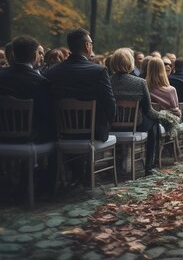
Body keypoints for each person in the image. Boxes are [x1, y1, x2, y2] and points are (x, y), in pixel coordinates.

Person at [46, 28, 115, 143]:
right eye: (91, 43)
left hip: (61, 133)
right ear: (87, 46)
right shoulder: (99, 71)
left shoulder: (53, 71)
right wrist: (105, 125)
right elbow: (110, 104)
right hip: (93, 133)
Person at [109, 48, 162, 176]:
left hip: (111, 125)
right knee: (153, 122)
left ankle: (116, 166)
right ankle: (149, 166)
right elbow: (149, 110)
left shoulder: (108, 81)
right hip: (135, 125)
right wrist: (163, 116)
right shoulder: (140, 82)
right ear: (130, 63)